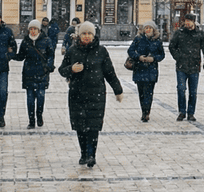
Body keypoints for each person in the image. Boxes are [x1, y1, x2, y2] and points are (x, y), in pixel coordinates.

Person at [59, 21, 123, 167]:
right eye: (84, 34)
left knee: (93, 127)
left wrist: (118, 90)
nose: (87, 36)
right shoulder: (72, 51)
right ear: (79, 35)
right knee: (80, 127)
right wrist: (71, 69)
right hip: (77, 94)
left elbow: (109, 73)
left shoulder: (101, 51)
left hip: (96, 95)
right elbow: (62, 70)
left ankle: (91, 155)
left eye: (89, 34)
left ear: (93, 35)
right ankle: (83, 154)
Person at [169, 13, 204, 122]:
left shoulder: (199, 34)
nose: (187, 23)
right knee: (181, 89)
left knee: (193, 92)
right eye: (186, 20)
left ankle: (191, 113)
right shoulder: (179, 33)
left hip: (194, 66)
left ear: (193, 22)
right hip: (181, 67)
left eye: (189, 21)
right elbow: (172, 46)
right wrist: (178, 57)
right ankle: (182, 112)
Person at [15, 19, 55, 129]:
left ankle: (39, 115)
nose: (33, 31)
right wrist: (10, 55)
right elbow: (21, 56)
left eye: (35, 29)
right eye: (31, 29)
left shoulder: (46, 40)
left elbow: (51, 55)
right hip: (29, 72)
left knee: (41, 97)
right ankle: (31, 120)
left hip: (42, 72)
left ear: (39, 30)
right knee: (30, 99)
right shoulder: (25, 42)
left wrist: (48, 65)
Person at [127, 20, 165, 122]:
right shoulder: (138, 39)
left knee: (149, 92)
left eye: (150, 28)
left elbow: (162, 55)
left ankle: (146, 112)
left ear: (153, 29)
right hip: (140, 68)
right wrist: (138, 57)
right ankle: (144, 110)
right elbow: (130, 50)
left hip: (151, 70)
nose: (148, 30)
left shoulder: (157, 41)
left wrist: (153, 58)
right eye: (146, 28)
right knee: (141, 92)